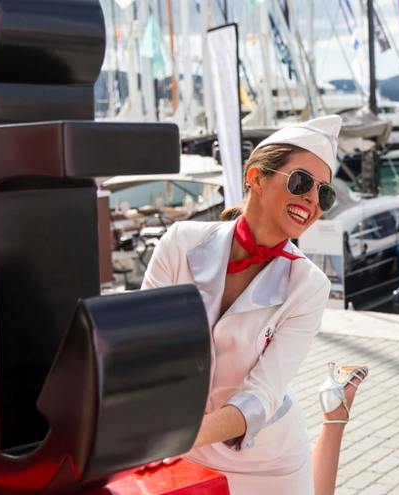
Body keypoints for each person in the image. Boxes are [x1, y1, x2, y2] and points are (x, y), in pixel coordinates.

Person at [142, 115, 363, 494]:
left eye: (324, 193)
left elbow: (261, 395)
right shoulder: (180, 242)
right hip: (179, 449)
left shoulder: (309, 285)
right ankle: (335, 410)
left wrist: (178, 434)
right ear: (257, 178)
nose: (312, 198)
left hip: (268, 462)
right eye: (301, 182)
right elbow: (140, 349)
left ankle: (334, 414)